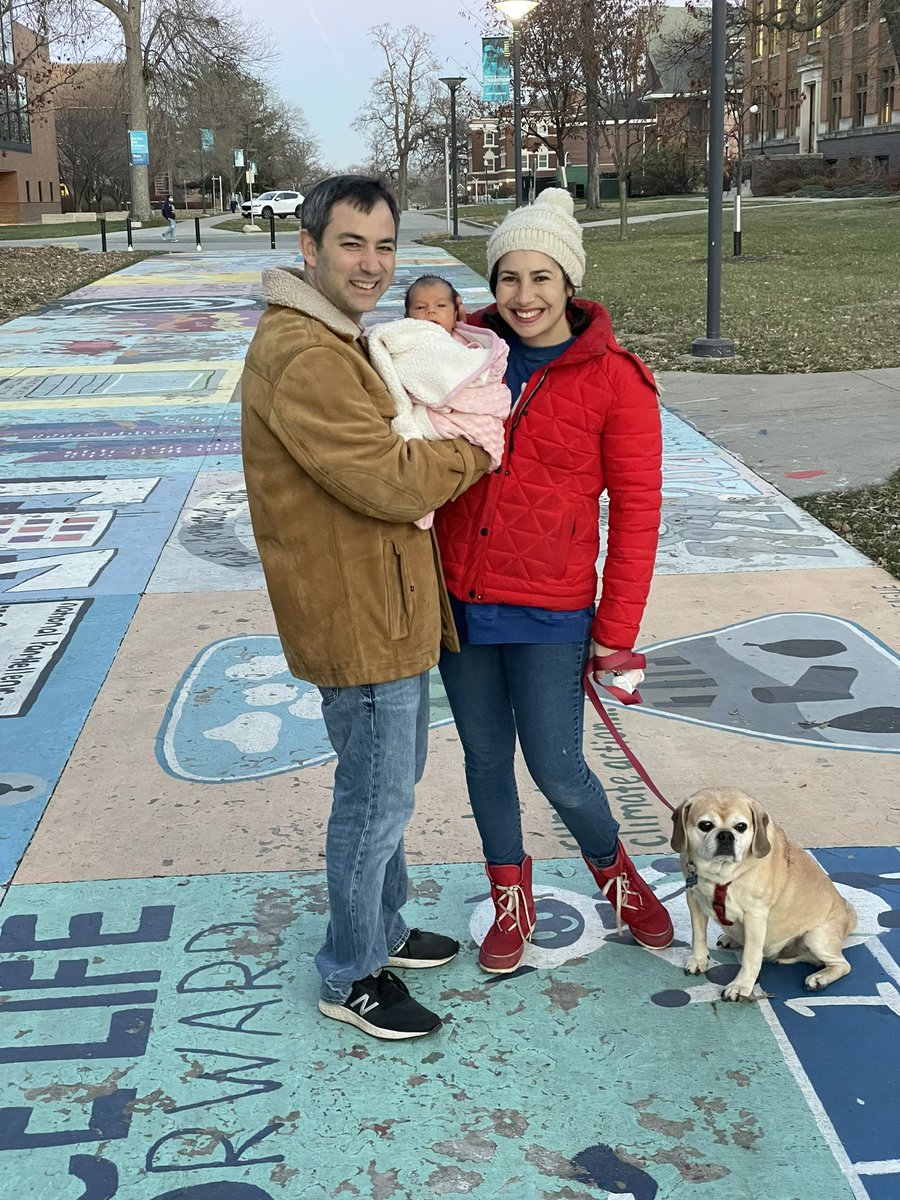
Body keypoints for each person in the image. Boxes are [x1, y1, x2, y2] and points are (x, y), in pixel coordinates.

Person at [240, 176, 490, 1039]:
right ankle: (350, 973)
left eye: (385, 246)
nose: (371, 264)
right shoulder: (307, 353)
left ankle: (381, 928)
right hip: (358, 614)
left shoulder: (329, 335)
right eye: (352, 244)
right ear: (307, 247)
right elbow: (386, 479)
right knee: (375, 801)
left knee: (389, 786)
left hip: (375, 601)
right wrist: (475, 450)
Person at [434, 188, 674, 974]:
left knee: (558, 767)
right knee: (482, 761)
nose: (524, 296)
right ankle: (510, 895)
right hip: (462, 600)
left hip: (552, 609)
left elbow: (638, 513)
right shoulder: (464, 351)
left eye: (541, 278)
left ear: (569, 281)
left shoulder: (617, 380)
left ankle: (617, 874)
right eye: (508, 278)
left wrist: (617, 631)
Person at [365, 275, 510, 529]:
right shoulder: (408, 337)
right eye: (420, 307)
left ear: (457, 311)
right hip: (422, 418)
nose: (430, 311)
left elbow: (486, 372)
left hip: (460, 414)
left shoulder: (466, 344)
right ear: (407, 315)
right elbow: (393, 366)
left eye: (440, 306)